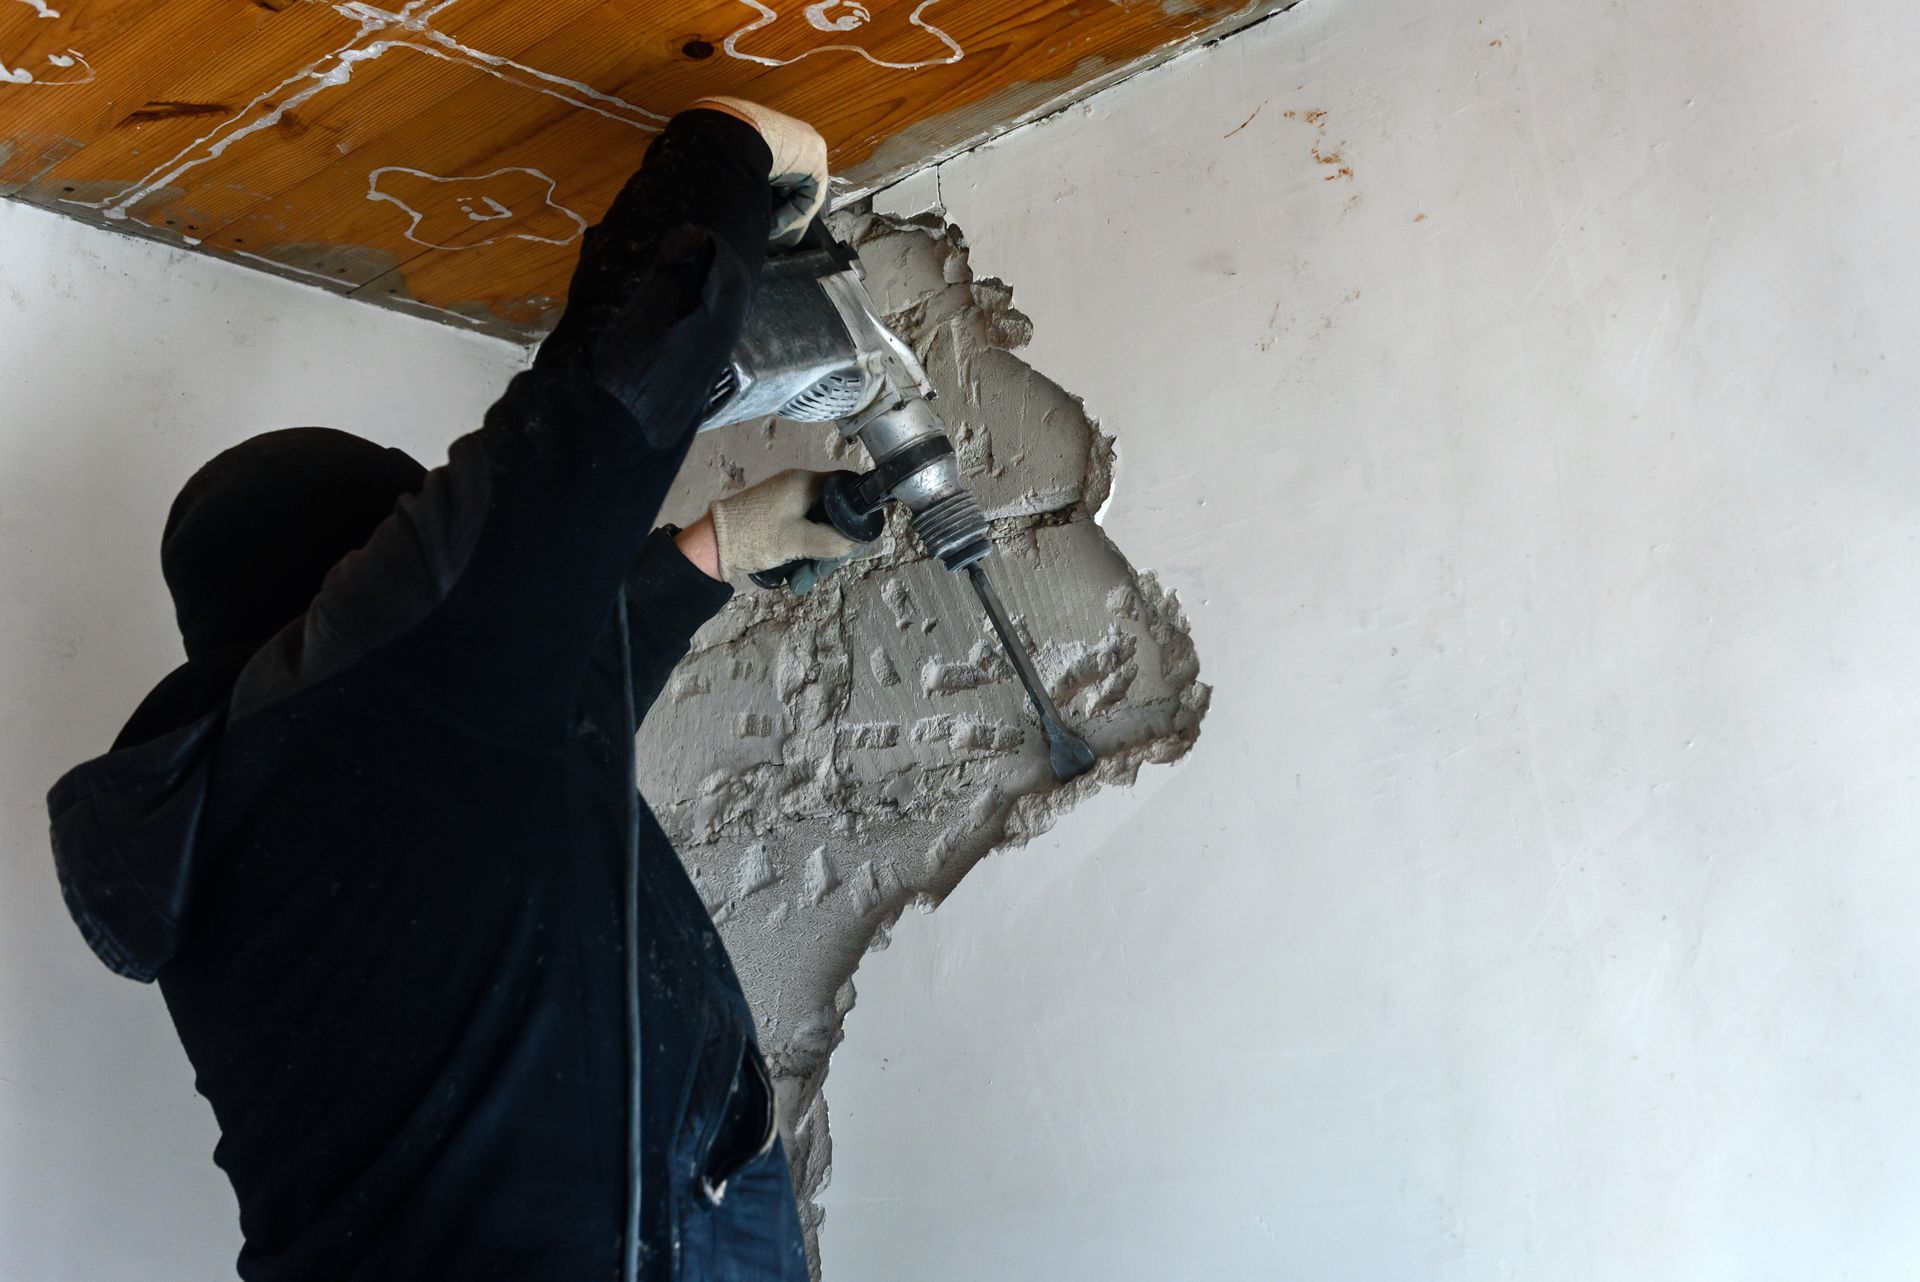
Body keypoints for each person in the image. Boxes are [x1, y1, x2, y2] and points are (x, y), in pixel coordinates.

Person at [45, 98, 860, 1281]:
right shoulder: (367, 710)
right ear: (353, 565)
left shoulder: (290, 779)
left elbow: (536, 749)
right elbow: (588, 427)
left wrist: (710, 554)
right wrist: (721, 157)